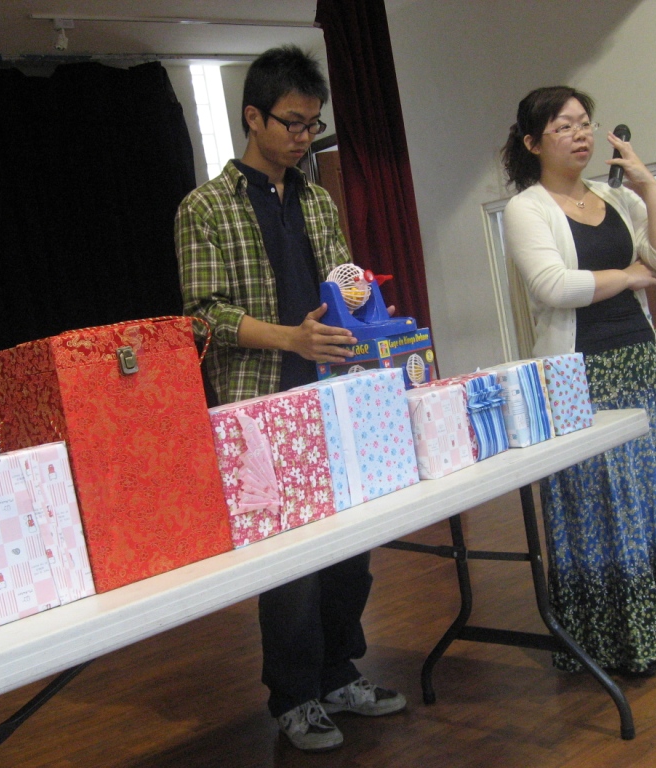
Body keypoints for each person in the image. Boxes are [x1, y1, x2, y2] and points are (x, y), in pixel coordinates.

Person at [175, 45, 406, 752]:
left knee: (350, 550)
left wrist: (365, 312)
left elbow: (343, 283)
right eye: (293, 123)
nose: (305, 137)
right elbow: (202, 316)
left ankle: (340, 674)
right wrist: (292, 339)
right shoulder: (205, 208)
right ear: (254, 117)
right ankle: (295, 696)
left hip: (334, 395)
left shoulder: (317, 199)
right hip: (260, 408)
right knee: (290, 565)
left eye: (313, 124)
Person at [500, 86, 656, 677]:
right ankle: (614, 639)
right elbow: (554, 286)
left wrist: (648, 184)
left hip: (638, 361)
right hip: (577, 373)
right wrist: (625, 276)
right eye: (564, 126)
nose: (581, 134)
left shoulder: (616, 196)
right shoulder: (527, 207)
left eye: (585, 123)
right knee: (603, 501)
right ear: (532, 142)